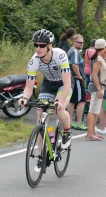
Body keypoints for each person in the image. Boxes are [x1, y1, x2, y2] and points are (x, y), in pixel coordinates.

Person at [18, 29, 73, 158]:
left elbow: (67, 83)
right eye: (36, 45)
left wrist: (60, 101)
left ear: (50, 46)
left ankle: (67, 131)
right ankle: (41, 153)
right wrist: (24, 98)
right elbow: (28, 87)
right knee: (41, 115)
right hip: (48, 84)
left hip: (63, 84)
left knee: (58, 110)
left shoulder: (60, 55)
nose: (38, 48)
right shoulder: (34, 61)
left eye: (42, 45)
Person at [85, 39, 106, 141]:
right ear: (103, 48)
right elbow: (94, 75)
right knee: (92, 110)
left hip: (100, 86)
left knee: (96, 110)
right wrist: (99, 89)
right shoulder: (98, 59)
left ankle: (93, 132)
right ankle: (89, 133)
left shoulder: (99, 58)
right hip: (96, 87)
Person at [66, 34, 87, 131]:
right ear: (74, 42)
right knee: (81, 100)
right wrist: (79, 76)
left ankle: (69, 122)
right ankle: (79, 122)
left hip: (71, 79)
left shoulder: (70, 50)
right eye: (80, 42)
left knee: (72, 100)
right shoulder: (74, 52)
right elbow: (74, 65)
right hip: (76, 79)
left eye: (82, 42)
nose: (82, 44)